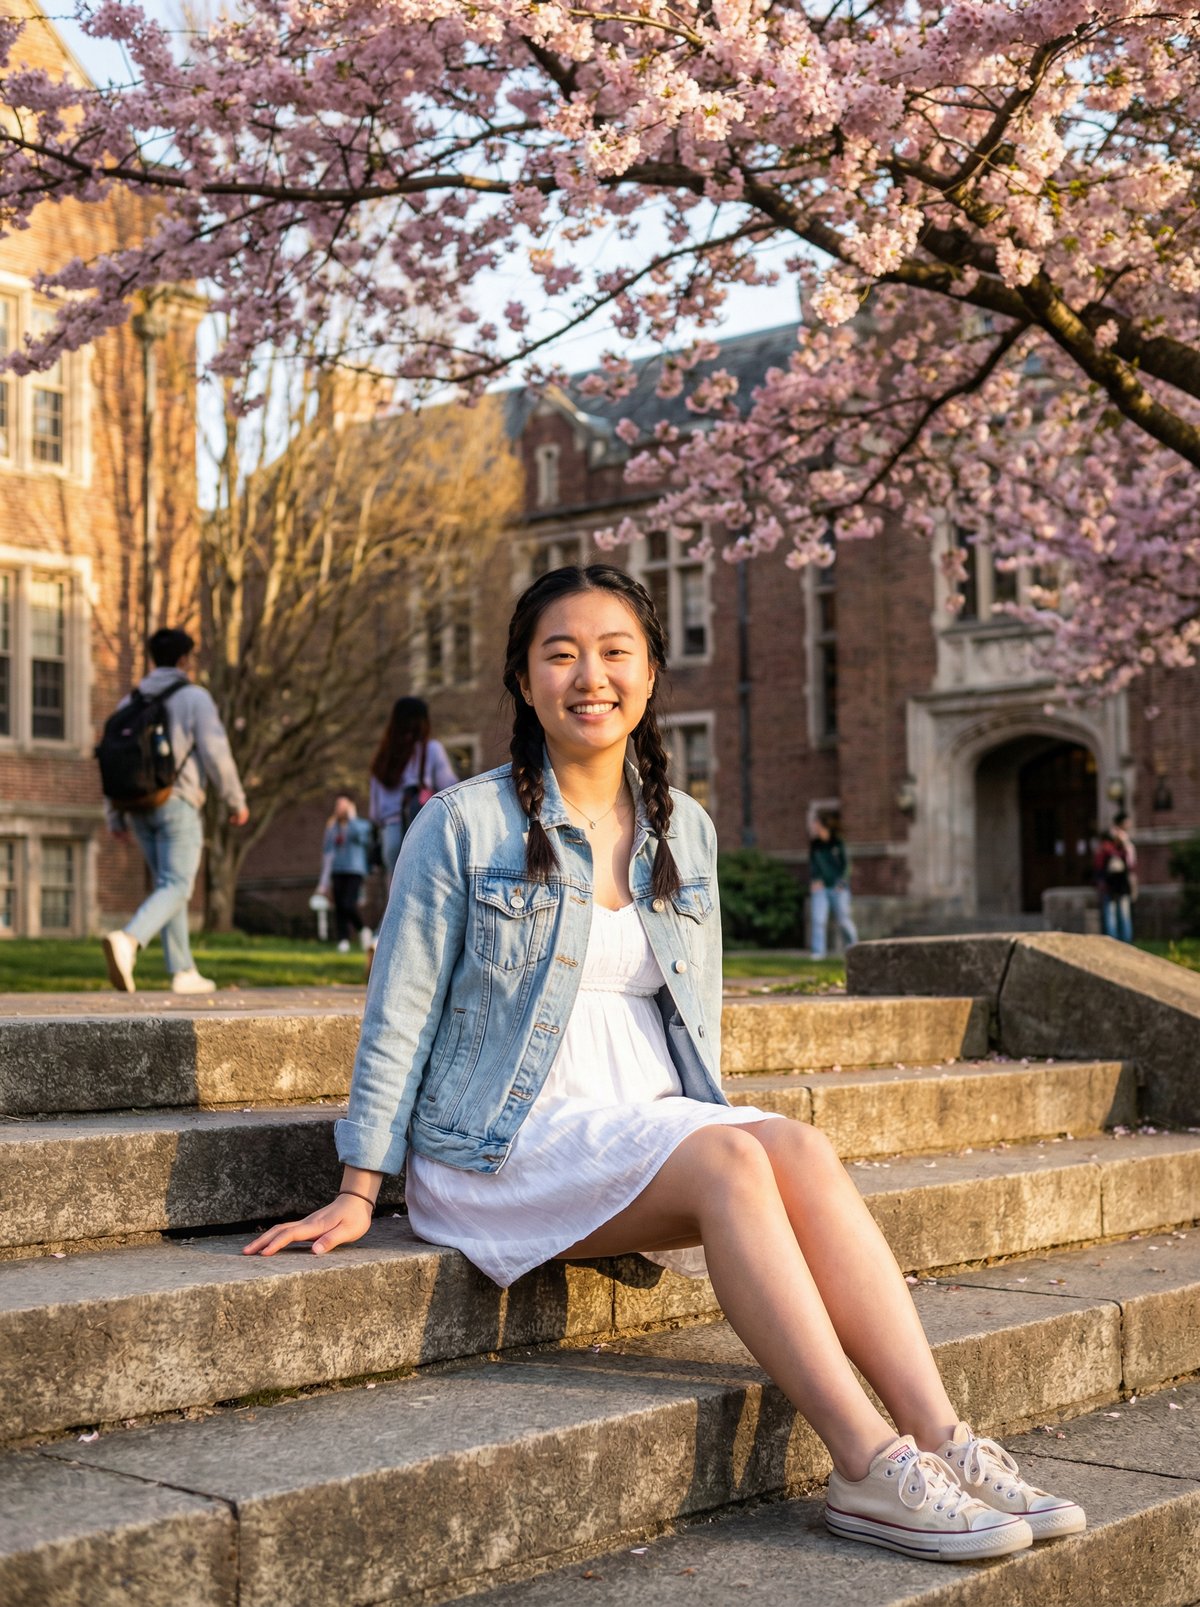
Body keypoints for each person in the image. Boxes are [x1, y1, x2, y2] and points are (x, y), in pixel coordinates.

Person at [245, 564, 1084, 1564]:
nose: (588, 675)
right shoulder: (461, 824)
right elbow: (401, 1009)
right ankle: (866, 1464)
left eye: (614, 652)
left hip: (639, 1119)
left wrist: (727, 1134)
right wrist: (358, 1185)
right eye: (560, 653)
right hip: (502, 1140)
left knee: (798, 1148)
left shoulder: (686, 827)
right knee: (734, 1162)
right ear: (522, 678)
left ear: (648, 675)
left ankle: (945, 1440)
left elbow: (696, 1013)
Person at [102, 627, 249, 994]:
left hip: (136, 805)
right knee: (178, 884)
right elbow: (216, 753)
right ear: (184, 659)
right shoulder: (194, 698)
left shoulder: (128, 703)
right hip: (177, 801)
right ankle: (129, 941)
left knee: (169, 884)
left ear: (154, 658)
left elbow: (112, 760)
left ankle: (183, 971)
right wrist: (235, 800)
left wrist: (114, 814)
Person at [368, 696, 458, 884]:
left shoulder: (383, 757)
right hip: (421, 829)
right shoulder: (431, 750)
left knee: (395, 894)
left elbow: (374, 814)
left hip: (390, 835)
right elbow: (451, 790)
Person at [317, 795, 375, 953]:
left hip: (354, 869)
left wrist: (352, 818)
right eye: (338, 805)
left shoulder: (360, 825)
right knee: (339, 906)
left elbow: (362, 840)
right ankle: (343, 939)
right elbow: (327, 853)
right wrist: (323, 882)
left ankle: (362, 929)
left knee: (348, 903)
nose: (339, 809)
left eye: (343, 806)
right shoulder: (332, 827)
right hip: (337, 870)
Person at [809, 808, 859, 959]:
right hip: (821, 888)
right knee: (818, 919)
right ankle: (818, 952)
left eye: (815, 823)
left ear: (823, 825)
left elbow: (846, 866)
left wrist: (842, 883)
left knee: (844, 919)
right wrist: (816, 879)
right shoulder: (815, 844)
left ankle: (854, 948)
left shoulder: (837, 842)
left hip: (838, 888)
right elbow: (813, 865)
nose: (813, 826)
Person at [1095, 811, 1137, 944]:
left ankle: (1119, 942)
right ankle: (1120, 942)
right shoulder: (1119, 846)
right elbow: (1131, 864)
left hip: (1116, 884)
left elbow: (1131, 864)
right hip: (1114, 884)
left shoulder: (1118, 847)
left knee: (1115, 914)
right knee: (1115, 914)